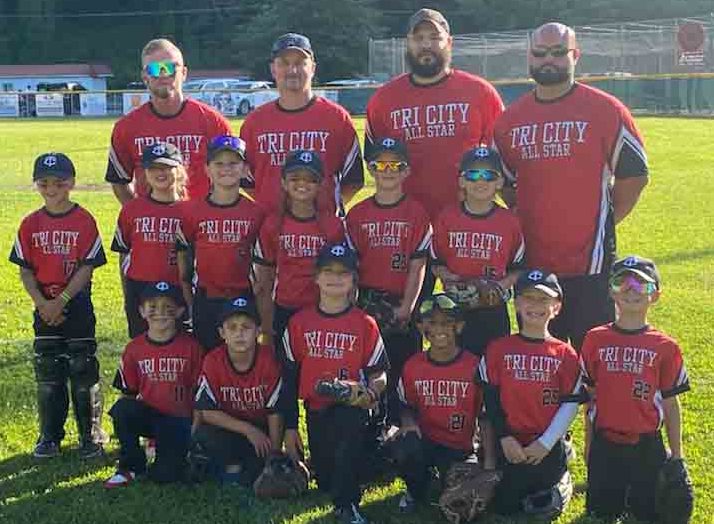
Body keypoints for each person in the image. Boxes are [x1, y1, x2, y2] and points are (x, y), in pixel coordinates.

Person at [493, 22, 649, 350]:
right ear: (529, 58)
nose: (548, 59)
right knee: (540, 360)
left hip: (589, 264)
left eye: (558, 52)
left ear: (575, 55)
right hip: (533, 266)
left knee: (593, 356)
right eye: (539, 53)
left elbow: (634, 176)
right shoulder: (510, 120)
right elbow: (504, 184)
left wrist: (604, 220)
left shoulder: (606, 110)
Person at [281, 243, 387, 524]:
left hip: (353, 408)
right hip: (317, 410)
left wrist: (370, 392)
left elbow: (379, 373)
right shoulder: (299, 323)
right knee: (327, 479)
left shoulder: (365, 323)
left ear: (354, 280)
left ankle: (347, 505)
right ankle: (357, 467)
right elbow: (289, 380)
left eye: (343, 273)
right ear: (315, 277)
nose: (335, 278)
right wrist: (290, 428)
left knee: (350, 424)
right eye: (328, 271)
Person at [10, 153, 107, 459]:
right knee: (48, 370)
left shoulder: (84, 220)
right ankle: (49, 435)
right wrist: (43, 304)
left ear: (72, 183)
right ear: (37, 184)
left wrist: (61, 301)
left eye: (60, 182)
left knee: (82, 367)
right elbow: (25, 269)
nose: (52, 188)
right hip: (44, 307)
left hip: (75, 304)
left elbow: (86, 267)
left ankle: (90, 435)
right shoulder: (30, 224)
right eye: (45, 182)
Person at [365, 8, 504, 222]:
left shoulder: (481, 94)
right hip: (405, 223)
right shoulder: (383, 100)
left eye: (434, 37)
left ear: (449, 43)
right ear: (408, 43)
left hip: (467, 222)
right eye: (418, 38)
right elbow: (374, 161)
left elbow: (502, 160)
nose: (426, 45)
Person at [581, 256, 690, 521]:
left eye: (641, 284)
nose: (631, 290)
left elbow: (670, 403)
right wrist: (589, 444)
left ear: (656, 295)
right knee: (600, 512)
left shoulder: (665, 346)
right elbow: (590, 398)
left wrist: (677, 457)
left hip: (646, 445)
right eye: (622, 283)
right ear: (611, 291)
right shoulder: (595, 338)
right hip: (605, 442)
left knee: (646, 513)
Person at [480, 270, 582, 517]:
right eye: (528, 298)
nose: (535, 305)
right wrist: (504, 437)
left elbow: (570, 404)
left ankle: (561, 475)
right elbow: (490, 400)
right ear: (516, 303)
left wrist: (545, 443)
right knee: (504, 507)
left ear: (556, 307)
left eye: (543, 299)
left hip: (544, 443)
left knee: (544, 507)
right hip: (510, 442)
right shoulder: (498, 349)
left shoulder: (565, 354)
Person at [345, 137, 431, 422]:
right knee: (369, 366)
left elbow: (418, 265)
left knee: (403, 365)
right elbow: (351, 268)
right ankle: (371, 427)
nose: (388, 169)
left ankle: (402, 426)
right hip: (368, 300)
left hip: (400, 299)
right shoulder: (357, 214)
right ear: (371, 168)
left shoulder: (417, 213)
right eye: (381, 163)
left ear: (407, 171)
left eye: (396, 164)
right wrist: (353, 308)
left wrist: (407, 307)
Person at [240, 32, 364, 216]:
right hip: (270, 232)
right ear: (273, 69)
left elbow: (353, 180)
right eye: (284, 63)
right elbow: (247, 183)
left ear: (312, 68)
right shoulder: (254, 123)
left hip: (322, 232)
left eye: (300, 63)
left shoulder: (336, 118)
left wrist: (322, 212)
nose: (293, 70)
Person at [392, 293, 494, 512]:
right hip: (424, 440)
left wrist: (488, 464)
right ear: (421, 327)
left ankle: (448, 477)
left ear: (459, 326)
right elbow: (404, 404)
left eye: (447, 323)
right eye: (432, 323)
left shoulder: (475, 366)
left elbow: (486, 416)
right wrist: (408, 424)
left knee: (461, 500)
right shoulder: (413, 365)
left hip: (459, 447)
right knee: (403, 446)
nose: (439, 330)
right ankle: (415, 490)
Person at [105, 38, 231, 204]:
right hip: (155, 226)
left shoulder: (213, 122)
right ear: (144, 76)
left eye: (170, 67)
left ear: (184, 73)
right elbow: (119, 181)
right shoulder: (126, 128)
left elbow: (230, 177)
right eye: (154, 69)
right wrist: (140, 215)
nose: (163, 74)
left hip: (201, 225)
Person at [104, 282, 202, 487]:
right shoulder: (134, 348)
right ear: (141, 311)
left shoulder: (192, 347)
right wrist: (126, 429)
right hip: (151, 415)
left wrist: (195, 433)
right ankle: (131, 465)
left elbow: (200, 397)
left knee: (165, 476)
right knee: (122, 409)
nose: (160, 313)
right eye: (153, 307)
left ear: (180, 311)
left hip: (179, 422)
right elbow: (128, 393)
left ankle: (172, 454)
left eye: (168, 307)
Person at [431, 145, 524, 356]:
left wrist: (498, 287)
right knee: (457, 362)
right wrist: (451, 278)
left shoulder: (509, 222)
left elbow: (518, 268)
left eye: (489, 175)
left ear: (500, 182)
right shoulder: (447, 217)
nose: (480, 181)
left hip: (493, 310)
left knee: (492, 364)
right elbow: (436, 262)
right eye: (473, 174)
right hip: (456, 308)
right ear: (462, 181)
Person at [176, 135, 264, 351]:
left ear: (245, 169)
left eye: (234, 163)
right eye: (219, 163)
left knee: (242, 354)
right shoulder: (190, 212)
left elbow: (263, 266)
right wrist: (189, 297)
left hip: (243, 297)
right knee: (206, 354)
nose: (226, 169)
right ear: (207, 169)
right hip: (207, 298)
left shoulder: (256, 213)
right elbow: (183, 259)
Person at [253, 150, 344, 346]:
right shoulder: (272, 225)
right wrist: (268, 329)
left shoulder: (333, 226)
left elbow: (345, 277)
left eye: (310, 179)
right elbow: (263, 282)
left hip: (323, 309)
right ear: (284, 183)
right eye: (295, 178)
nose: (302, 184)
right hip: (285, 308)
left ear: (320, 185)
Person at [190, 296, 284, 485]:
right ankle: (229, 468)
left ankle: (237, 470)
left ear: (258, 331)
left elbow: (276, 411)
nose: (239, 333)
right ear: (221, 333)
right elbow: (206, 411)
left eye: (246, 327)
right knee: (206, 436)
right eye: (232, 327)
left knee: (259, 469)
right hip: (229, 427)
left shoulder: (268, 360)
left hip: (261, 427)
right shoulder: (213, 360)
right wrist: (248, 430)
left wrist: (273, 454)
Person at [111, 143, 186, 338]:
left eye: (166, 167)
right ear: (144, 172)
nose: (160, 173)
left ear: (178, 170)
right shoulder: (131, 210)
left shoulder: (190, 211)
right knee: (142, 342)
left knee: (181, 343)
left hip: (178, 287)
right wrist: (128, 293)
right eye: (153, 168)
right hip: (141, 286)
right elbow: (124, 254)